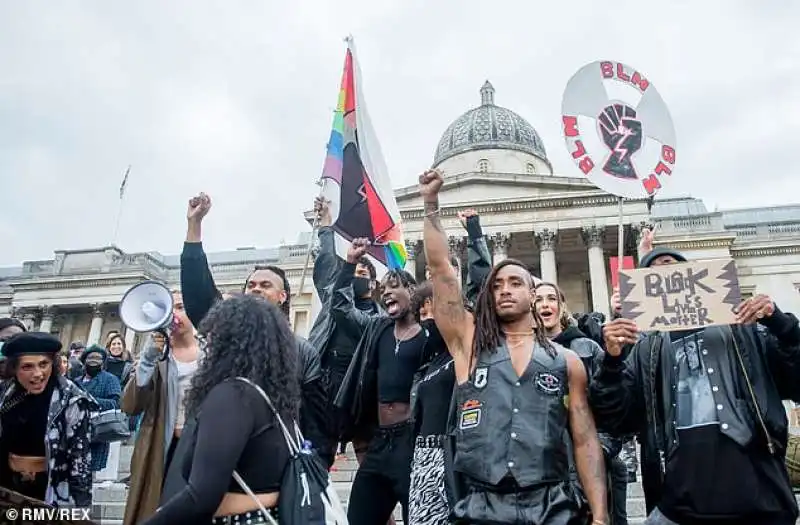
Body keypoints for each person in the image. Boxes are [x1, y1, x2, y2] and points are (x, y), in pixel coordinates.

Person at [420, 168, 608, 524]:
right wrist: (431, 205)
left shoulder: (568, 361)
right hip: (482, 504)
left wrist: (599, 516)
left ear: (533, 294)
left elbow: (584, 441)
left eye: (515, 283)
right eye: (496, 284)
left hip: (552, 505)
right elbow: (442, 269)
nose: (504, 289)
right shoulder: (469, 345)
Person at [592, 246, 800, 525]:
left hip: (759, 497)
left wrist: (781, 324)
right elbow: (614, 418)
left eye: (674, 265)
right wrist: (612, 362)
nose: (665, 266)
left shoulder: (746, 330)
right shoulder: (644, 350)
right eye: (653, 272)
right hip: (679, 503)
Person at [180, 192, 328, 463]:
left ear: (283, 296)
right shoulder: (228, 331)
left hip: (277, 454)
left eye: (265, 285)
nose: (256, 288)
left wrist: (316, 462)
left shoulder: (303, 352)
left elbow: (316, 419)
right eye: (251, 285)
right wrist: (195, 226)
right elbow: (198, 295)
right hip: (222, 448)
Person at [144, 294, 301, 524]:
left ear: (229, 340)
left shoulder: (232, 396)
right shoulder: (272, 399)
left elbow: (201, 496)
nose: (206, 342)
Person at [335, 238, 431, 525]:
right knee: (360, 517)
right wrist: (349, 264)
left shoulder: (430, 335)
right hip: (379, 441)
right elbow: (341, 309)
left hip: (413, 442)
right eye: (384, 289)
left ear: (412, 291)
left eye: (394, 287)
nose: (386, 293)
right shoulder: (376, 327)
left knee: (420, 518)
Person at [535, 282, 628, 525]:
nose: (545, 304)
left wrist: (604, 449)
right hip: (546, 463)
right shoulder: (527, 354)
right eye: (538, 299)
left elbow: (612, 401)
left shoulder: (586, 348)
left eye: (551, 299)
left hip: (588, 461)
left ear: (561, 307)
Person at [308, 196, 380, 467]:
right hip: (325, 383)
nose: (358, 275)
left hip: (359, 391)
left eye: (365, 272)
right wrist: (325, 225)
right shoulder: (332, 296)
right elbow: (327, 263)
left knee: (368, 459)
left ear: (373, 285)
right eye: (355, 271)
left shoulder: (378, 319)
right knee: (318, 457)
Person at [121, 290, 201, 525]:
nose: (174, 314)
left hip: (199, 446)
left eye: (181, 307)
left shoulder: (210, 352)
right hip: (160, 447)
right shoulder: (157, 357)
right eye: (172, 307)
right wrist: (147, 361)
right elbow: (131, 406)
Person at [0, 332, 95, 507]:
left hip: (50, 491)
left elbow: (80, 460)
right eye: (27, 367)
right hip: (7, 488)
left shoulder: (72, 399)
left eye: (44, 364)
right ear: (14, 369)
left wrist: (80, 509)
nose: (37, 374)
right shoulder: (5, 394)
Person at [408, 280, 455, 525]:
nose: (427, 318)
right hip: (423, 458)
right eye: (422, 313)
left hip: (451, 456)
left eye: (432, 310)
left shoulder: (464, 353)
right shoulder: (429, 363)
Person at [77, 345, 122, 473]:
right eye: (90, 359)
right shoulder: (76, 381)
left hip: (98, 433)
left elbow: (116, 403)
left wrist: (90, 400)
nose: (94, 362)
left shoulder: (110, 379)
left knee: (90, 475)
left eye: (98, 359)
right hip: (76, 433)